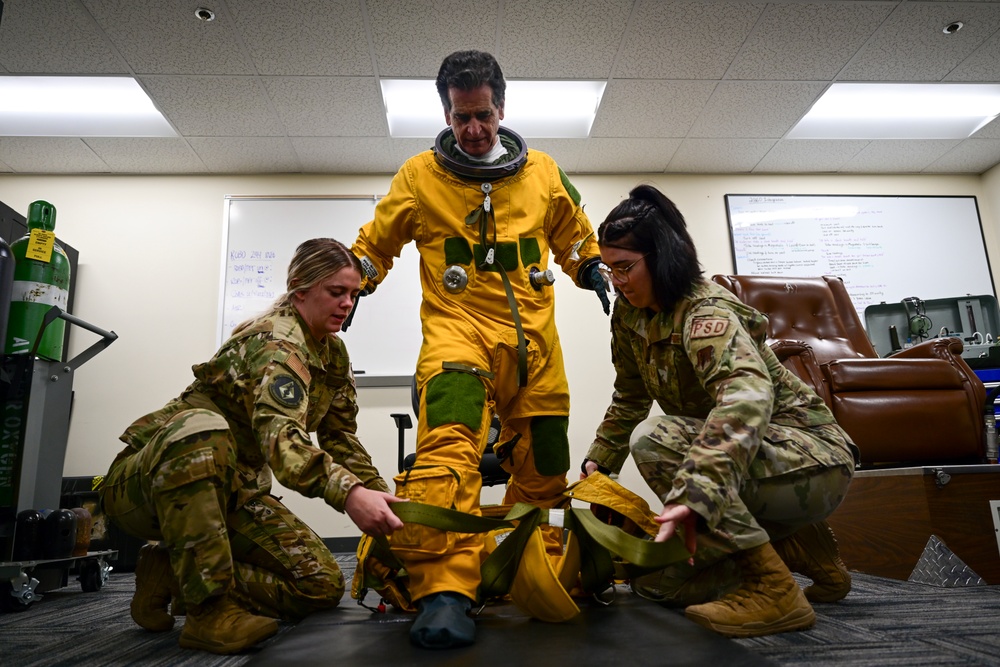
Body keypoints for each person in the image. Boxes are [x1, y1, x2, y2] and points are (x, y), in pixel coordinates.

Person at [350, 50, 608, 648]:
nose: (473, 129)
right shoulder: (419, 176)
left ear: (501, 109)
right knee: (446, 453)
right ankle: (445, 591)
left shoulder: (542, 170)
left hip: (535, 346)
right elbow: (376, 242)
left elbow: (575, 234)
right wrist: (355, 279)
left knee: (546, 463)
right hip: (456, 334)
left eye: (483, 115)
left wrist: (591, 267)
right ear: (446, 111)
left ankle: (535, 565)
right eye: (461, 117)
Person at [99, 238, 404, 655]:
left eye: (353, 294)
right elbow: (283, 443)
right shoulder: (275, 344)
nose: (347, 303)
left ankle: (172, 569)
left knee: (318, 586)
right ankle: (209, 611)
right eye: (336, 292)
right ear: (300, 287)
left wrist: (381, 500)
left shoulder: (332, 355)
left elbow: (341, 438)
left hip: (233, 491)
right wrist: (350, 494)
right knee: (202, 430)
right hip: (153, 485)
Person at [581, 184, 859, 638]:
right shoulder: (630, 317)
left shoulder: (705, 311)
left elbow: (745, 394)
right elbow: (631, 393)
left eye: (626, 267)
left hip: (813, 460)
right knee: (655, 587)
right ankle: (798, 548)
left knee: (654, 439)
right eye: (610, 269)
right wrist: (600, 462)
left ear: (663, 257)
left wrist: (698, 488)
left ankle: (773, 589)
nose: (617, 281)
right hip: (752, 464)